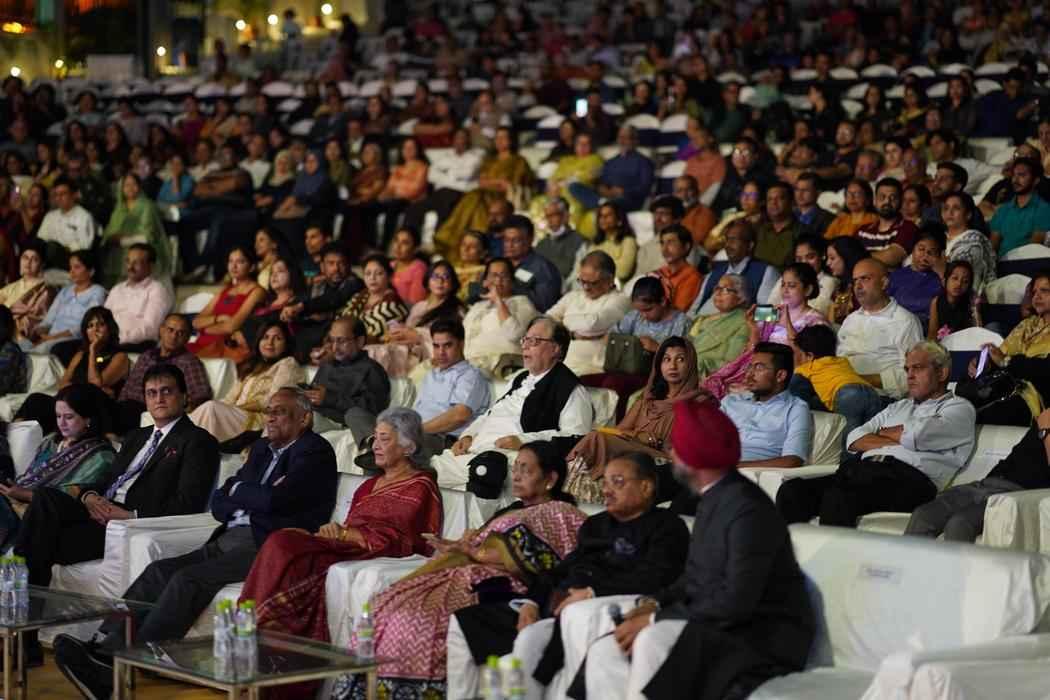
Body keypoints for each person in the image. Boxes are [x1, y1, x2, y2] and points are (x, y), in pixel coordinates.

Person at [52, 388, 337, 700]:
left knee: (187, 579)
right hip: (229, 536)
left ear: (304, 418)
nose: (268, 417)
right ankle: (100, 646)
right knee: (158, 571)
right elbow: (220, 501)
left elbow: (275, 500)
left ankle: (120, 666)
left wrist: (242, 490)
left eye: (279, 411)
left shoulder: (314, 451)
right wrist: (246, 491)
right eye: (267, 410)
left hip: (270, 544)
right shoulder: (261, 449)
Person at [579, 399, 814, 700]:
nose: (671, 454)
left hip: (762, 634)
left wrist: (654, 619)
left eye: (677, 447)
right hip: (721, 623)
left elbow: (737, 601)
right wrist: (653, 603)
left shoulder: (748, 509)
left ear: (694, 456)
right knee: (607, 649)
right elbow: (694, 577)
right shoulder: (713, 499)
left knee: (651, 639)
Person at [14, 365, 219, 657]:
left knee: (39, 540)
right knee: (46, 501)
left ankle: (24, 636)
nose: (159, 399)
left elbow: (188, 503)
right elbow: (106, 481)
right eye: (151, 393)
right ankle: (25, 634)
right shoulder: (136, 436)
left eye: (167, 391)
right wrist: (89, 496)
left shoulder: (198, 441)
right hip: (100, 511)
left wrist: (129, 515)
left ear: (184, 396)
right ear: (145, 399)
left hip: (125, 524)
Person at [451, 452, 690, 700]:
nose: (607, 490)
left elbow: (656, 577)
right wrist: (530, 602)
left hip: (604, 607)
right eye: (605, 482)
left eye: (617, 482)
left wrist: (592, 592)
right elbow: (562, 570)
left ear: (646, 486)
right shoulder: (596, 525)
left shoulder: (667, 527)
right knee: (499, 635)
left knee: (533, 641)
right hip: (553, 604)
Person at [359, 442, 586, 699]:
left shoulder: (563, 513)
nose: (516, 476)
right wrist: (458, 547)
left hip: (505, 586)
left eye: (526, 469)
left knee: (419, 619)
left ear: (550, 479)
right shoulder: (512, 510)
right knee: (385, 606)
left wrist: (476, 553)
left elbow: (546, 563)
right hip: (465, 574)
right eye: (515, 468)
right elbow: (483, 546)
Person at [240, 407, 441, 649]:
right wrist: (335, 533)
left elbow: (405, 541)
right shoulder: (368, 486)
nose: (375, 446)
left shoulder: (420, 486)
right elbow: (349, 526)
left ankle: (258, 631)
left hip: (374, 551)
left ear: (408, 447)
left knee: (284, 545)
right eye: (374, 438)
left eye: (384, 439)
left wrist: (345, 534)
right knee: (284, 538)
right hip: (344, 545)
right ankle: (261, 630)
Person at [778, 341, 976, 527]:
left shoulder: (959, 408)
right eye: (907, 369)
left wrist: (885, 434)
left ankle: (833, 554)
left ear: (942, 373)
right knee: (792, 491)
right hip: (863, 470)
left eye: (918, 368)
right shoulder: (899, 406)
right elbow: (854, 438)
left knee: (839, 496)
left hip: (912, 481)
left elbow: (918, 435)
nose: (909, 375)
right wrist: (899, 438)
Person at [431, 316, 594, 491]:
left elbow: (576, 439)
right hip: (476, 449)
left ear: (555, 348)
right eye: (525, 340)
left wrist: (523, 441)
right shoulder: (520, 378)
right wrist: (468, 436)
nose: (525, 346)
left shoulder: (571, 389)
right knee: (425, 468)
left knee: (430, 472)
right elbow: (491, 414)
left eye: (534, 341)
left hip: (507, 459)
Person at [565, 337, 701, 504]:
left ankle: (572, 489)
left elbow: (687, 451)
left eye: (680, 359)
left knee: (597, 438)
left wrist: (651, 440)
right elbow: (619, 431)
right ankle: (578, 489)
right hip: (635, 450)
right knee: (597, 437)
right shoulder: (647, 399)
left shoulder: (699, 404)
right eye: (666, 359)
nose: (672, 366)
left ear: (691, 363)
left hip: (665, 462)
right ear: (659, 365)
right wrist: (640, 436)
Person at [905, 407, 1050, 542]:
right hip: (985, 485)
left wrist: (1046, 430)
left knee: (959, 523)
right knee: (923, 515)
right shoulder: (1044, 418)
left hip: (1017, 495)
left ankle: (958, 563)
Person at [0, 384, 116, 551]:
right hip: (20, 500)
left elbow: (74, 495)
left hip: (49, 515)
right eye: (58, 416)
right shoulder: (51, 442)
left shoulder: (101, 456)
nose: (61, 423)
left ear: (88, 419)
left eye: (69, 417)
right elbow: (31, 476)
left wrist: (25, 494)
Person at [189, 321, 305, 443]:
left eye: (277, 338)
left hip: (258, 420)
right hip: (236, 415)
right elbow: (230, 398)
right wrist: (223, 407)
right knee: (207, 408)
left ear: (286, 344)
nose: (270, 343)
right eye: (265, 337)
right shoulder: (252, 366)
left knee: (211, 408)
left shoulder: (287, 364)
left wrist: (235, 408)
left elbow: (274, 401)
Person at [962, 271, 1050, 426]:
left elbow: (1043, 369)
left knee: (977, 417)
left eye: (1044, 290)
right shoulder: (1027, 324)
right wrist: (986, 362)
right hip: (1007, 387)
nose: (1037, 296)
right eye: (1034, 292)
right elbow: (1002, 355)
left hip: (1036, 396)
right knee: (962, 402)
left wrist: (1006, 361)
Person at [436, 127, 533, 262]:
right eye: (497, 138)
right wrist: (497, 182)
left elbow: (511, 185)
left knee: (476, 198)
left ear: (511, 140)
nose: (499, 141)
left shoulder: (519, 161)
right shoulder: (489, 160)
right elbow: (481, 181)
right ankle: (464, 242)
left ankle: (471, 241)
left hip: (503, 198)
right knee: (474, 197)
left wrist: (494, 183)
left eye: (503, 137)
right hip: (482, 194)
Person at [837, 258, 924, 399]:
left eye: (865, 279)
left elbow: (913, 374)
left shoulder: (905, 321)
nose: (858, 286)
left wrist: (859, 380)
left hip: (881, 397)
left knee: (850, 397)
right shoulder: (850, 320)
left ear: (884, 283)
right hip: (841, 387)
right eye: (855, 281)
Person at [789, 324, 883, 454]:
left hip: (847, 396)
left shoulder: (805, 369)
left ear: (809, 355)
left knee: (851, 442)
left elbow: (796, 397)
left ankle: (849, 466)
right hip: (871, 392)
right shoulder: (842, 361)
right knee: (871, 437)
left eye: (800, 355)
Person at [115, 314, 212, 433]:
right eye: (170, 330)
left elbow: (201, 395)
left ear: (187, 338)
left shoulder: (189, 361)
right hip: (127, 406)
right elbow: (127, 388)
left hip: (153, 408)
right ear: (161, 330)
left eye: (181, 333)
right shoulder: (146, 356)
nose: (174, 336)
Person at [412, 319, 491, 457]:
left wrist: (415, 431)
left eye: (447, 345)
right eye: (436, 346)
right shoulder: (430, 375)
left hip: (442, 439)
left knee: (396, 446)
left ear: (461, 344)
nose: (441, 352)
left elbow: (459, 415)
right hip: (417, 433)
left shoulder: (470, 375)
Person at [547, 251, 631, 377]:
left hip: (590, 369)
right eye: (582, 281)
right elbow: (545, 319)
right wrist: (572, 334)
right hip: (559, 363)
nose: (586, 287)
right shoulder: (574, 296)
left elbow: (591, 324)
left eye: (592, 282)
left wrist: (563, 323)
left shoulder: (621, 300)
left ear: (609, 280)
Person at [306, 317, 390, 437]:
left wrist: (330, 398)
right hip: (314, 413)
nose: (335, 347)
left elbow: (373, 409)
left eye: (341, 341)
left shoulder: (372, 369)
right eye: (332, 340)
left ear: (360, 341)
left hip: (341, 421)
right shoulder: (328, 364)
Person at [21, 250, 107, 364]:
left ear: (91, 271)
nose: (71, 272)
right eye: (70, 267)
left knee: (40, 351)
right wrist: (39, 332)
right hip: (50, 338)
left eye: (77, 267)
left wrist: (53, 338)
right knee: (19, 345)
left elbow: (85, 325)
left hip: (72, 340)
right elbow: (48, 320)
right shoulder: (65, 291)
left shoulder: (97, 292)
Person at [281, 243, 363, 359]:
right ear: (322, 266)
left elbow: (333, 300)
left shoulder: (354, 283)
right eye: (331, 263)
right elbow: (299, 300)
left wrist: (302, 307)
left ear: (349, 266)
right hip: (308, 337)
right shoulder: (318, 285)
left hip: (334, 339)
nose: (336, 268)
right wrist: (289, 310)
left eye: (341, 263)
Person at [186, 246, 266, 362]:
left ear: (252, 267)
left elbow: (231, 327)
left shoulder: (257, 291)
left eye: (240, 261)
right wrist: (219, 318)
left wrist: (204, 329)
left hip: (223, 347)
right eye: (231, 261)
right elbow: (196, 322)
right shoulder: (226, 290)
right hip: (201, 343)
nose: (234, 266)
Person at [462, 257, 539, 378]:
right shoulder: (477, 306)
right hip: (471, 366)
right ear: (485, 280)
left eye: (504, 275)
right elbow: (463, 337)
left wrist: (498, 300)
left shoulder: (522, 303)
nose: (498, 280)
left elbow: (514, 334)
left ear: (512, 281)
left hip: (504, 365)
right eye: (494, 275)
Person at [690, 220, 778, 316]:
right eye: (727, 239)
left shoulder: (765, 272)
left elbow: (771, 314)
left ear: (750, 245)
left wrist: (740, 315)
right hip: (700, 322)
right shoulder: (716, 270)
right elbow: (694, 309)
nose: (727, 245)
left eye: (734, 240)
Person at [98, 173, 172, 287]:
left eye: (134, 184)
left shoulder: (147, 206)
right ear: (121, 188)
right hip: (118, 255)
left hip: (143, 252)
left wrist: (122, 240)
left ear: (139, 186)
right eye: (127, 185)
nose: (130, 188)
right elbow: (110, 232)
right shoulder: (118, 209)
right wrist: (110, 238)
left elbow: (147, 237)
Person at [567, 125, 654, 214]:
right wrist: (602, 189)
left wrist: (623, 191)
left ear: (635, 141)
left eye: (626, 138)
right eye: (620, 137)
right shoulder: (611, 162)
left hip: (628, 199)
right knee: (574, 186)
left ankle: (604, 205)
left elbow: (645, 188)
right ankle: (603, 204)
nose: (622, 141)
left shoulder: (644, 162)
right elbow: (601, 182)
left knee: (616, 201)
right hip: (607, 196)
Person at [103, 243, 173, 351]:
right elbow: (103, 318)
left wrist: (117, 338)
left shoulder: (157, 290)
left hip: (136, 345)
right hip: (110, 342)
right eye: (128, 261)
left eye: (136, 263)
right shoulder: (117, 289)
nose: (130, 267)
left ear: (151, 266)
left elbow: (150, 330)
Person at [339, 254, 409, 343]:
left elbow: (369, 336)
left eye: (379, 273)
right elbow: (340, 319)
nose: (372, 278)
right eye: (368, 273)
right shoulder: (359, 296)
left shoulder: (393, 305)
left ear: (389, 276)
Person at [989, 157, 1050, 255]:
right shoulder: (1003, 209)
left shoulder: (1044, 209)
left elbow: (1034, 249)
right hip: (1000, 262)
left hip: (1025, 261)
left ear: (1035, 180)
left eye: (1022, 175)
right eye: (1014, 175)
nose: (1015, 180)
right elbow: (992, 247)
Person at [887, 226, 945, 327]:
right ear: (912, 249)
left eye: (932, 252)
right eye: (921, 249)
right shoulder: (896, 277)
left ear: (940, 255)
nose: (925, 256)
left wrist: (942, 273)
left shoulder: (942, 280)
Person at [503, 215, 562, 313]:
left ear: (530, 240)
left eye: (516, 240)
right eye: (506, 240)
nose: (509, 245)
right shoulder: (500, 263)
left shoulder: (543, 268)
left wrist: (510, 288)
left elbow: (545, 305)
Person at [35, 177, 98, 268]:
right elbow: (41, 240)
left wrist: (65, 248)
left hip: (74, 260)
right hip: (49, 259)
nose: (59, 198)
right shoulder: (50, 216)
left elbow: (85, 247)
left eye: (63, 194)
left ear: (74, 195)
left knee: (52, 247)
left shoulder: (84, 216)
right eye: (56, 195)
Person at [855, 177, 917, 268]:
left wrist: (856, 257)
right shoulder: (862, 231)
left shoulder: (908, 227)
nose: (887, 201)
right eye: (882, 197)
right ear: (874, 201)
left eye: (893, 198)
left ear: (900, 201)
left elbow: (891, 257)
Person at [942, 192, 997, 294]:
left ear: (968, 215)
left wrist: (938, 266)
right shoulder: (938, 237)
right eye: (946, 208)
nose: (949, 212)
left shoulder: (975, 242)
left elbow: (958, 280)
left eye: (956, 208)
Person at [0, 241, 54, 344]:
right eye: (25, 258)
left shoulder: (45, 290)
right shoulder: (11, 287)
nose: (28, 263)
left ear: (42, 264)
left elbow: (35, 320)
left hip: (16, 334)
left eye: (34, 259)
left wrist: (9, 319)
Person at [535, 197, 587, 285]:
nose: (550, 220)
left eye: (554, 215)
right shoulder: (541, 244)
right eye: (547, 216)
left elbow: (578, 276)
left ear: (566, 216)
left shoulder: (580, 241)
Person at [653, 224, 703, 312]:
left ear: (686, 247)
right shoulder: (659, 272)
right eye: (662, 243)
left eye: (671, 242)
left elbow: (677, 311)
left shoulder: (692, 277)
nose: (664, 249)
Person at [589, 201, 639, 284]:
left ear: (619, 219)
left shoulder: (628, 241)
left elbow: (623, 271)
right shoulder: (595, 243)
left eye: (608, 215)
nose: (603, 218)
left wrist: (596, 268)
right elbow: (584, 268)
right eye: (601, 215)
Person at [929, 260, 980, 340]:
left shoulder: (971, 302)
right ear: (944, 281)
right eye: (955, 278)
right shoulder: (936, 302)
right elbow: (932, 334)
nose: (959, 284)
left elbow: (978, 332)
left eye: (965, 281)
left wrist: (975, 308)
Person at [753, 181, 799, 269]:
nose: (773, 203)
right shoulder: (758, 230)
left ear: (791, 202)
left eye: (779, 198)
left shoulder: (802, 232)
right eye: (769, 199)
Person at [389, 226, 428, 305]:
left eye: (405, 243)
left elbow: (415, 304)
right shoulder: (390, 265)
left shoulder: (419, 269)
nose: (398, 246)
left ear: (415, 249)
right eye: (396, 240)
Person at [794, 172, 835, 239]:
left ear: (818, 193)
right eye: (797, 189)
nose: (799, 194)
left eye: (805, 190)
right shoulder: (788, 214)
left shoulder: (828, 219)